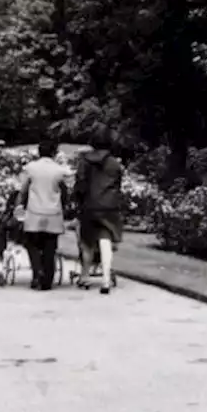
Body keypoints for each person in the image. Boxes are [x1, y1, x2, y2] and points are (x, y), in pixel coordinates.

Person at [74, 126, 125, 294]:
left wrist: (78, 202)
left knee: (87, 243)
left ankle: (85, 276)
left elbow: (80, 185)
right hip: (109, 206)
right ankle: (105, 279)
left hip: (89, 205)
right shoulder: (115, 164)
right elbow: (118, 186)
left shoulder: (84, 161)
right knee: (106, 241)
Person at [17, 140, 71, 291]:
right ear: (54, 153)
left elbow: (23, 190)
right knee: (50, 246)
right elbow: (65, 192)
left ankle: (37, 271)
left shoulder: (31, 168)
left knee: (31, 243)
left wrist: (19, 206)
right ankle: (47, 278)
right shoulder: (59, 170)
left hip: (34, 211)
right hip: (53, 213)